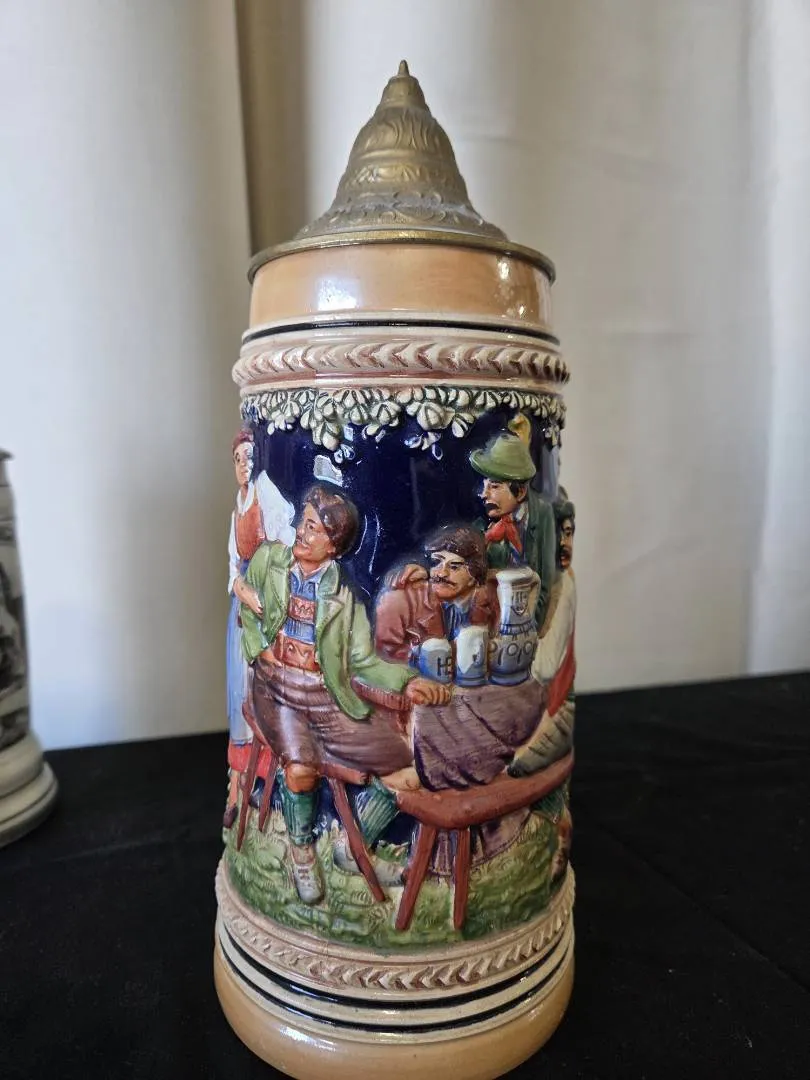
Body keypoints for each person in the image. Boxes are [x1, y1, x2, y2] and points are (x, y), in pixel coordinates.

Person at [240, 484, 450, 904]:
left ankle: (352, 846)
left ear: (333, 546)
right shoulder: (270, 561)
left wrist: (408, 681)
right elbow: (245, 600)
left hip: (324, 697)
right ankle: (302, 852)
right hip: (276, 688)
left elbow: (364, 662)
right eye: (303, 522)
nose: (301, 532)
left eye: (313, 528)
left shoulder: (341, 597)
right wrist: (259, 646)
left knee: (407, 765)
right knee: (302, 767)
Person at [223, 429, 295, 829]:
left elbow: (286, 540)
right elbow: (233, 565)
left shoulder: (265, 490)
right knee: (239, 689)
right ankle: (237, 787)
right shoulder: (237, 507)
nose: (244, 465)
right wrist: (241, 590)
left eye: (249, 457)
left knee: (264, 691)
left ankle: (266, 782)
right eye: (238, 459)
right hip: (245, 598)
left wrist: (263, 591)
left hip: (269, 594)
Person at [468, 415, 557, 628]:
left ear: (520, 492)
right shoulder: (482, 525)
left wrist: (532, 627)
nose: (484, 494)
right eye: (484, 485)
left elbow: (545, 581)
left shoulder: (541, 515)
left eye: (494, 486)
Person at [508, 498, 576, 776]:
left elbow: (545, 667)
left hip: (552, 704)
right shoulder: (545, 583)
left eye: (569, 533)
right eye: (557, 535)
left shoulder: (564, 585)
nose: (564, 543)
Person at [374, 525, 498, 664]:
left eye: (454, 567)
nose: (441, 573)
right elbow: (386, 652)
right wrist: (422, 658)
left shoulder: (492, 597)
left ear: (474, 574)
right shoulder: (400, 599)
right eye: (436, 562)